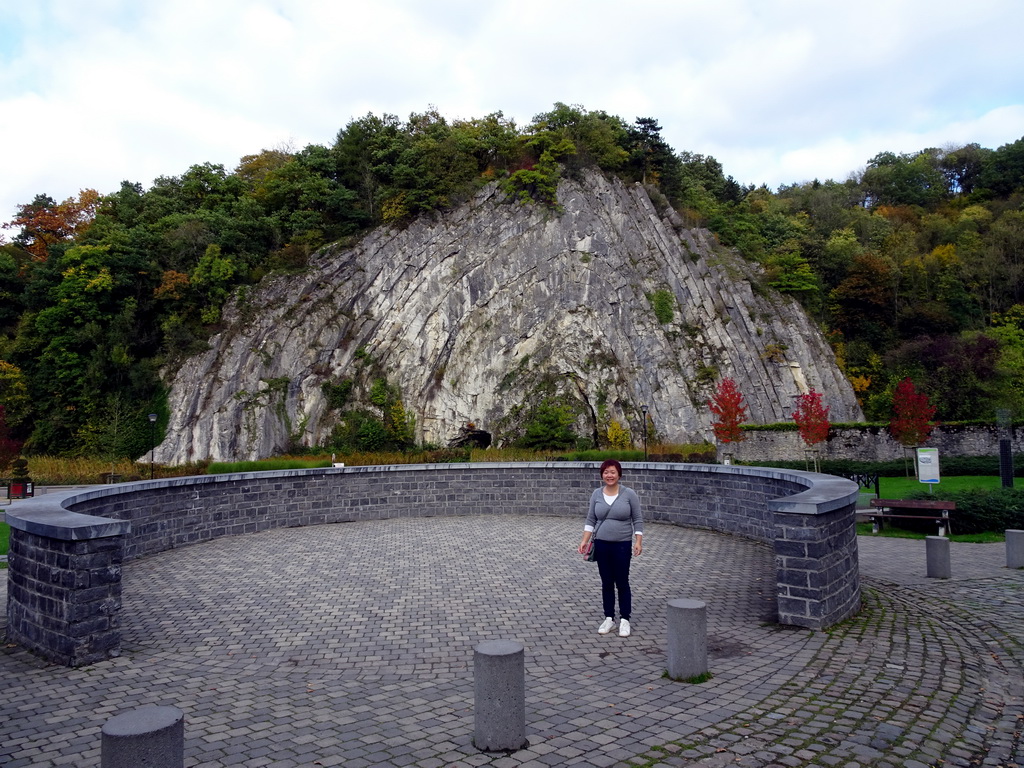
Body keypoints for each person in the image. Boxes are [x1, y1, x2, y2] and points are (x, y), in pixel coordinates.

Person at [577, 459, 643, 637]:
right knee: (606, 582)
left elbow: (637, 519)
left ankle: (625, 619)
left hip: (622, 544)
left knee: (622, 582)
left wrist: (638, 541)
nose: (609, 475)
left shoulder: (629, 494)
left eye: (613, 472)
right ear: (602, 475)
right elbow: (591, 519)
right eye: (606, 472)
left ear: (619, 474)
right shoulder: (597, 494)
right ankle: (609, 618)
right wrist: (585, 540)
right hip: (602, 544)